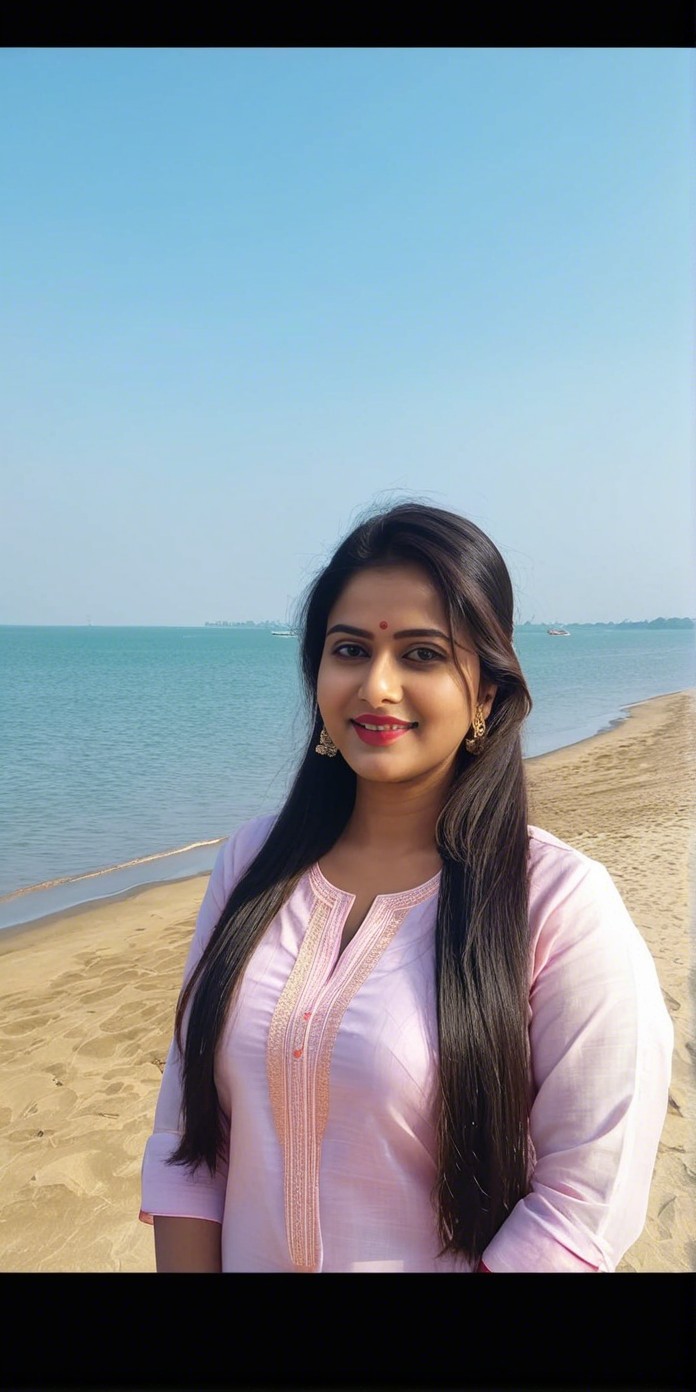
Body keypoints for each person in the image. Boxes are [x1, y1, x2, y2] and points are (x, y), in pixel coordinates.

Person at [139, 500, 673, 1272]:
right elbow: (189, 1140)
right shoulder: (250, 866)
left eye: (422, 655)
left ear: (486, 690)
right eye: (350, 649)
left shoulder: (556, 903)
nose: (376, 686)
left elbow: (585, 1202)